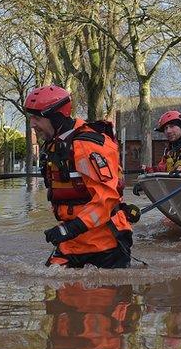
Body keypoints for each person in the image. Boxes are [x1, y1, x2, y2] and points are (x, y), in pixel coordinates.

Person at [24, 85, 133, 269]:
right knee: (52, 292)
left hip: (104, 243)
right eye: (31, 118)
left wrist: (69, 229)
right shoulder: (55, 145)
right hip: (71, 242)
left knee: (106, 295)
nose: (32, 124)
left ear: (56, 117)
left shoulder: (87, 145)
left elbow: (106, 199)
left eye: (37, 118)